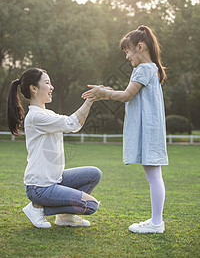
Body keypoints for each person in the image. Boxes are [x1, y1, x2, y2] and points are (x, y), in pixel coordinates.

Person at [82, 25, 168, 233]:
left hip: (149, 129)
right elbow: (130, 94)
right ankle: (156, 221)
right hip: (151, 127)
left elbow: (128, 95)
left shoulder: (143, 69)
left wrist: (104, 93)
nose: (127, 56)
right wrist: (109, 92)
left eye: (128, 51)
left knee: (154, 175)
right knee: (153, 175)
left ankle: (157, 223)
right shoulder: (151, 69)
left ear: (140, 47)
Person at [7, 67, 102, 229]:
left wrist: (92, 99)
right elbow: (72, 124)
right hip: (39, 187)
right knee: (91, 205)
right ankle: (38, 208)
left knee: (94, 174)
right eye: (47, 83)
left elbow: (73, 124)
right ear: (34, 89)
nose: (52, 87)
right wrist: (90, 99)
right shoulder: (36, 117)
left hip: (54, 180)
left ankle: (65, 217)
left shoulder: (48, 114)